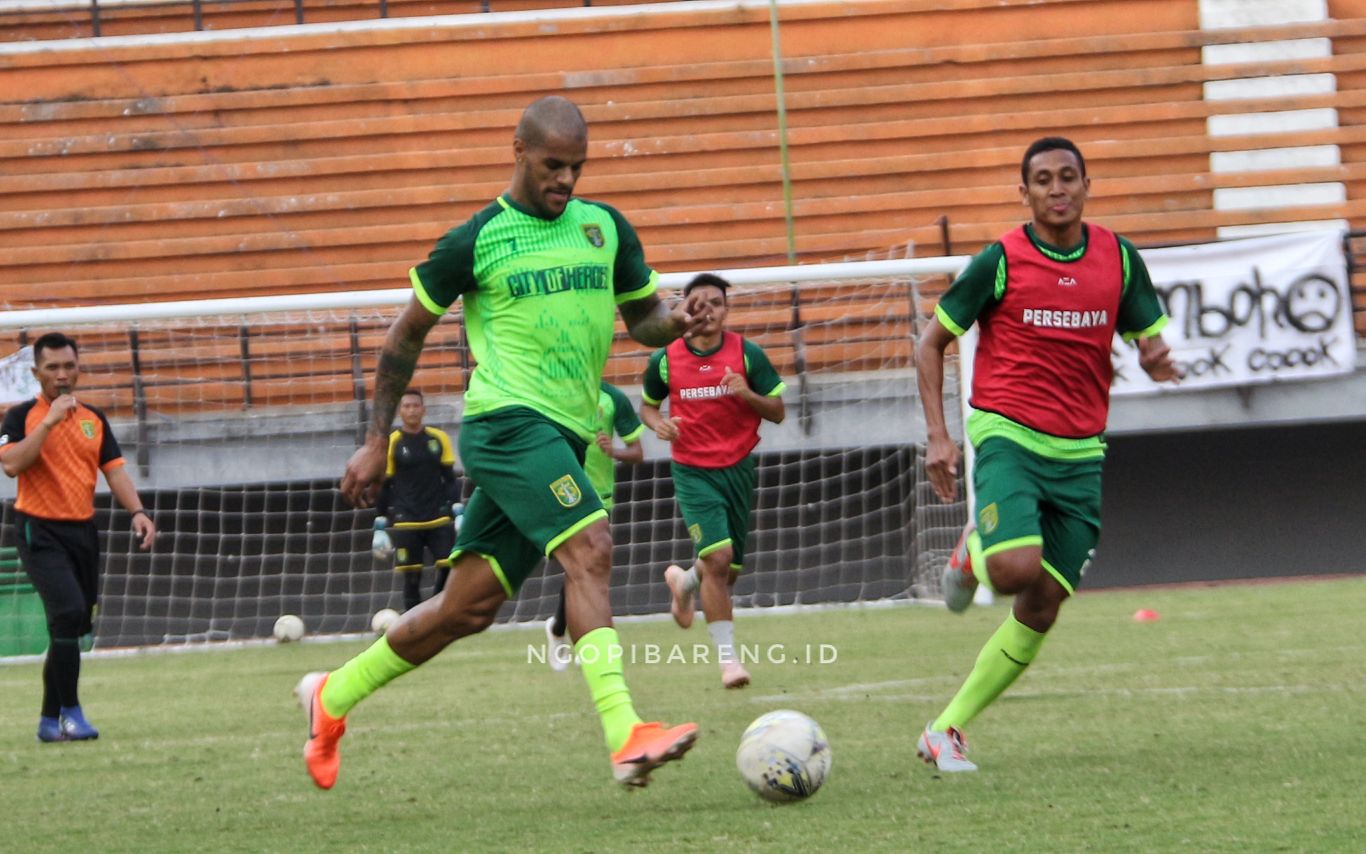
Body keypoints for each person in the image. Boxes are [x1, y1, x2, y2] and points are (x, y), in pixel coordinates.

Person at [295, 95, 708, 790]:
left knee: (468, 608)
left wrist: (679, 321)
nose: (566, 180)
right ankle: (625, 733)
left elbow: (642, 320)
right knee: (592, 548)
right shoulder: (476, 239)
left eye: (577, 167)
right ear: (518, 151)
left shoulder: (605, 228)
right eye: (553, 165)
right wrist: (374, 441)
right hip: (506, 426)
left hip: (564, 436)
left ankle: (330, 700)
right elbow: (404, 336)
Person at [915, 137, 1179, 772]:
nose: (1057, 188)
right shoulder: (1000, 260)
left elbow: (1148, 336)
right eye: (1043, 180)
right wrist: (940, 436)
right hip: (1009, 433)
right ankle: (976, 552)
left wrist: (1154, 355)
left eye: (1068, 177)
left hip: (1081, 453)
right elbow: (930, 344)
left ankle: (945, 730)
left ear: (1087, 184)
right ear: (1025, 192)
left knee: (1042, 604)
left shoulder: (1118, 257)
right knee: (1011, 571)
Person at [0, 332, 157, 743]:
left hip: (83, 531)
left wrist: (137, 511)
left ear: (79, 370)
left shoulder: (93, 419)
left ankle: (49, 721)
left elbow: (115, 470)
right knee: (67, 612)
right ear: (36, 373)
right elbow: (12, 465)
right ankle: (72, 712)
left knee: (72, 627)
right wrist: (50, 421)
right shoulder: (19, 418)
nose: (62, 375)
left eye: (69, 366)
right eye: (52, 368)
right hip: (39, 529)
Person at [640, 273, 786, 690]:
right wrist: (660, 424)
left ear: (726, 310)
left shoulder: (747, 354)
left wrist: (746, 394)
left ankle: (684, 582)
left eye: (715, 304)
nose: (707, 311)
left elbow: (777, 411)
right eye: (698, 303)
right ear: (684, 309)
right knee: (719, 559)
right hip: (692, 471)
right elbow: (648, 407)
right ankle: (728, 662)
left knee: (726, 571)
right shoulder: (665, 358)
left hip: (738, 469)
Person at [544, 379, 645, 672]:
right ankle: (582, 640)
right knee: (579, 568)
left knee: (587, 571)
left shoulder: (614, 398)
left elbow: (637, 453)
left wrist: (613, 451)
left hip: (600, 497)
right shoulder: (555, 391)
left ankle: (560, 627)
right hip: (563, 492)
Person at [372, 388, 462, 612]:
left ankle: (434, 616)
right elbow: (385, 485)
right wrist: (380, 523)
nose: (411, 410)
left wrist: (458, 510)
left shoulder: (438, 438)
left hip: (438, 517)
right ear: (400, 412)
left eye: (415, 406)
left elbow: (450, 478)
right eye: (406, 406)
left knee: (448, 568)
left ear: (424, 410)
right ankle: (413, 623)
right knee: (412, 578)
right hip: (406, 520)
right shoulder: (393, 443)